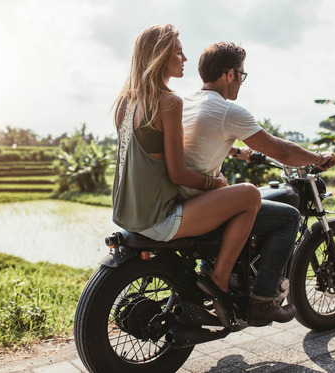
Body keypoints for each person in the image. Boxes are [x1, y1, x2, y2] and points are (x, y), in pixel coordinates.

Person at [112, 25, 261, 327]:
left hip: (128, 215)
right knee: (249, 195)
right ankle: (218, 279)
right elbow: (177, 172)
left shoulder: (125, 102)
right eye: (178, 51)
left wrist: (235, 152)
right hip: (159, 218)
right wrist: (214, 182)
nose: (184, 57)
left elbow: (162, 146)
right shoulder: (170, 102)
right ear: (160, 56)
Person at [180, 41, 335, 326]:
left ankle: (216, 274)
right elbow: (284, 151)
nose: (241, 81)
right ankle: (263, 301)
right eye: (242, 74)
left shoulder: (186, 103)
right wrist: (318, 157)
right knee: (288, 217)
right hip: (198, 205)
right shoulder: (230, 111)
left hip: (182, 201)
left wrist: (239, 152)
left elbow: (200, 137)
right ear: (230, 75)